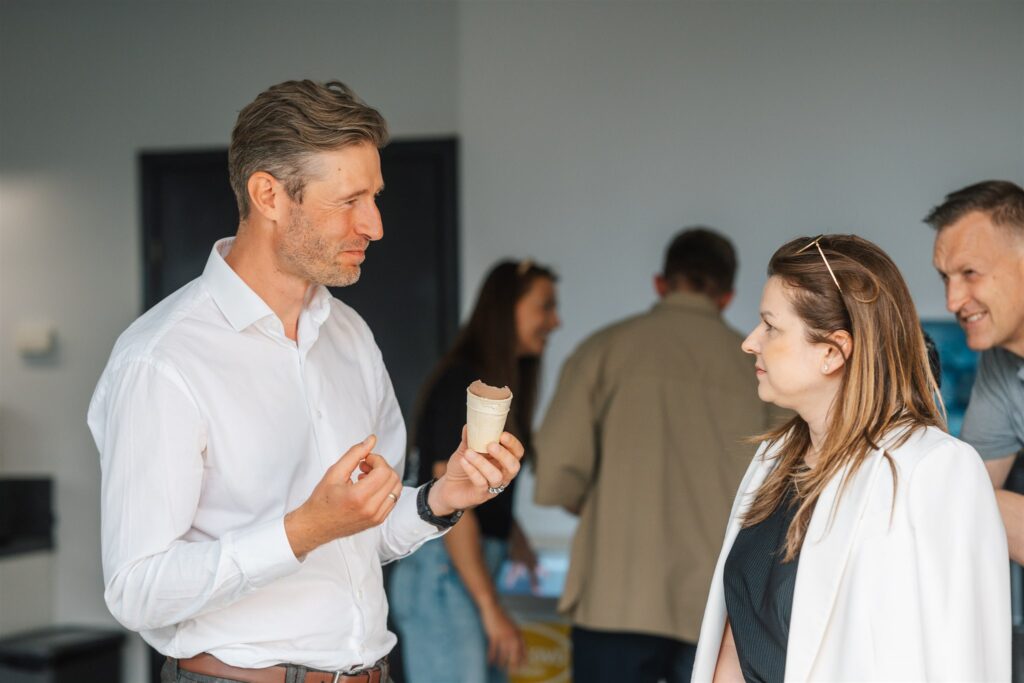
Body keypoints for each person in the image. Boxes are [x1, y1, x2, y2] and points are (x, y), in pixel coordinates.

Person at [87, 80, 525, 683]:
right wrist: (305, 529)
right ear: (268, 194)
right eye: (349, 200)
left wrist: (440, 498)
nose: (374, 225)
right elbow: (136, 590)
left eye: (374, 197)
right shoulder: (161, 360)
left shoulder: (349, 336)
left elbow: (364, 532)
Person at [692, 234, 1010, 682]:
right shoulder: (772, 461)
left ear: (832, 352)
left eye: (770, 326)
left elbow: (962, 660)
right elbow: (737, 639)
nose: (750, 342)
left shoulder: (935, 468)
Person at [533, 228, 773, 683]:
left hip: (616, 594)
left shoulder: (603, 350)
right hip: (715, 604)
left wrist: (601, 506)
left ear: (661, 283)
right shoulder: (759, 367)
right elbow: (786, 482)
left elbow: (559, 469)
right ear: (727, 296)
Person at [389, 259, 560, 683]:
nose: (555, 321)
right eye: (545, 306)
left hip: (462, 572)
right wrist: (491, 607)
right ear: (507, 307)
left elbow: (478, 489)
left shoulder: (490, 381)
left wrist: (513, 536)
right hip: (447, 573)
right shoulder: (464, 385)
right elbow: (450, 497)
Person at [927, 179, 1024, 563]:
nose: (952, 301)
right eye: (945, 277)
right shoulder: (1002, 361)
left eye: (970, 272)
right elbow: (960, 501)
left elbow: (967, 500)